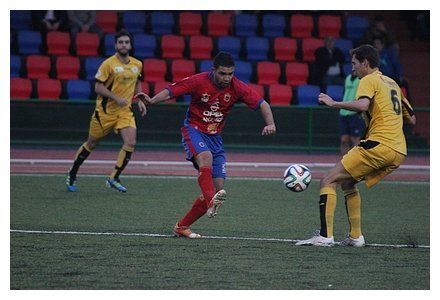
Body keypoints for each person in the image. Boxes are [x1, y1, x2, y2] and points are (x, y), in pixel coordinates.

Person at [136, 51, 276, 238]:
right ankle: (211, 202)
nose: (227, 78)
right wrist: (152, 100)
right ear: (213, 71)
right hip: (193, 130)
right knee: (206, 160)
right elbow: (172, 90)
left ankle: (181, 226)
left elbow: (263, 104)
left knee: (218, 187)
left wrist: (271, 123)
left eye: (230, 74)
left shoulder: (237, 87)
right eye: (222, 73)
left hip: (215, 138)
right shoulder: (199, 81)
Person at [296, 44, 416, 247]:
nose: (352, 69)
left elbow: (362, 105)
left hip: (379, 144)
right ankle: (355, 237)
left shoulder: (369, 79)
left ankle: (325, 236)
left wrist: (334, 103)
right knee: (348, 183)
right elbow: (412, 120)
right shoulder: (392, 83)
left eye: (354, 64)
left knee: (327, 180)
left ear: (366, 63)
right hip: (398, 150)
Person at [66, 29, 147, 193]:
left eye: (126, 42)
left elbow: (138, 81)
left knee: (131, 142)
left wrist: (140, 100)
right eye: (120, 42)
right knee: (91, 143)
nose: (124, 45)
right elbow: (97, 87)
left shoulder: (137, 64)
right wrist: (116, 97)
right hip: (104, 113)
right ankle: (72, 173)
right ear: (116, 45)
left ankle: (113, 177)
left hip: (125, 112)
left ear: (130, 45)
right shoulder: (108, 64)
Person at [339, 73, 364, 156]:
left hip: (354, 113)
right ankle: (343, 163)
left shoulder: (361, 80)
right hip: (344, 113)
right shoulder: (347, 78)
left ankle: (356, 163)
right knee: (344, 140)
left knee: (355, 139)